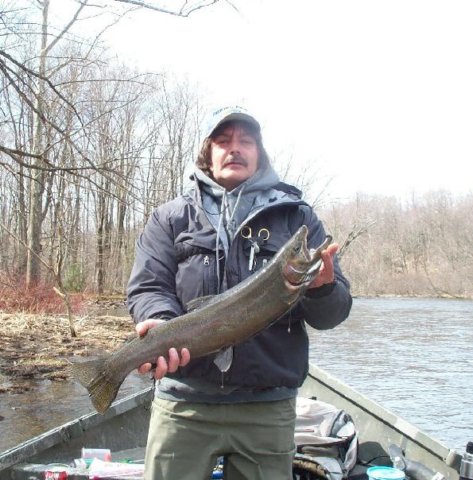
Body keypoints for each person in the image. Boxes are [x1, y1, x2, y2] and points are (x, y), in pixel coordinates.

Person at [126, 105, 352, 480]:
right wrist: (160, 323)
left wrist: (323, 288)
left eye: (246, 141)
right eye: (223, 141)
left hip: (268, 405)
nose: (235, 148)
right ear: (207, 154)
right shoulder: (169, 218)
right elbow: (149, 287)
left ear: (259, 154)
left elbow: (333, 314)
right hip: (184, 401)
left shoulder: (297, 217)